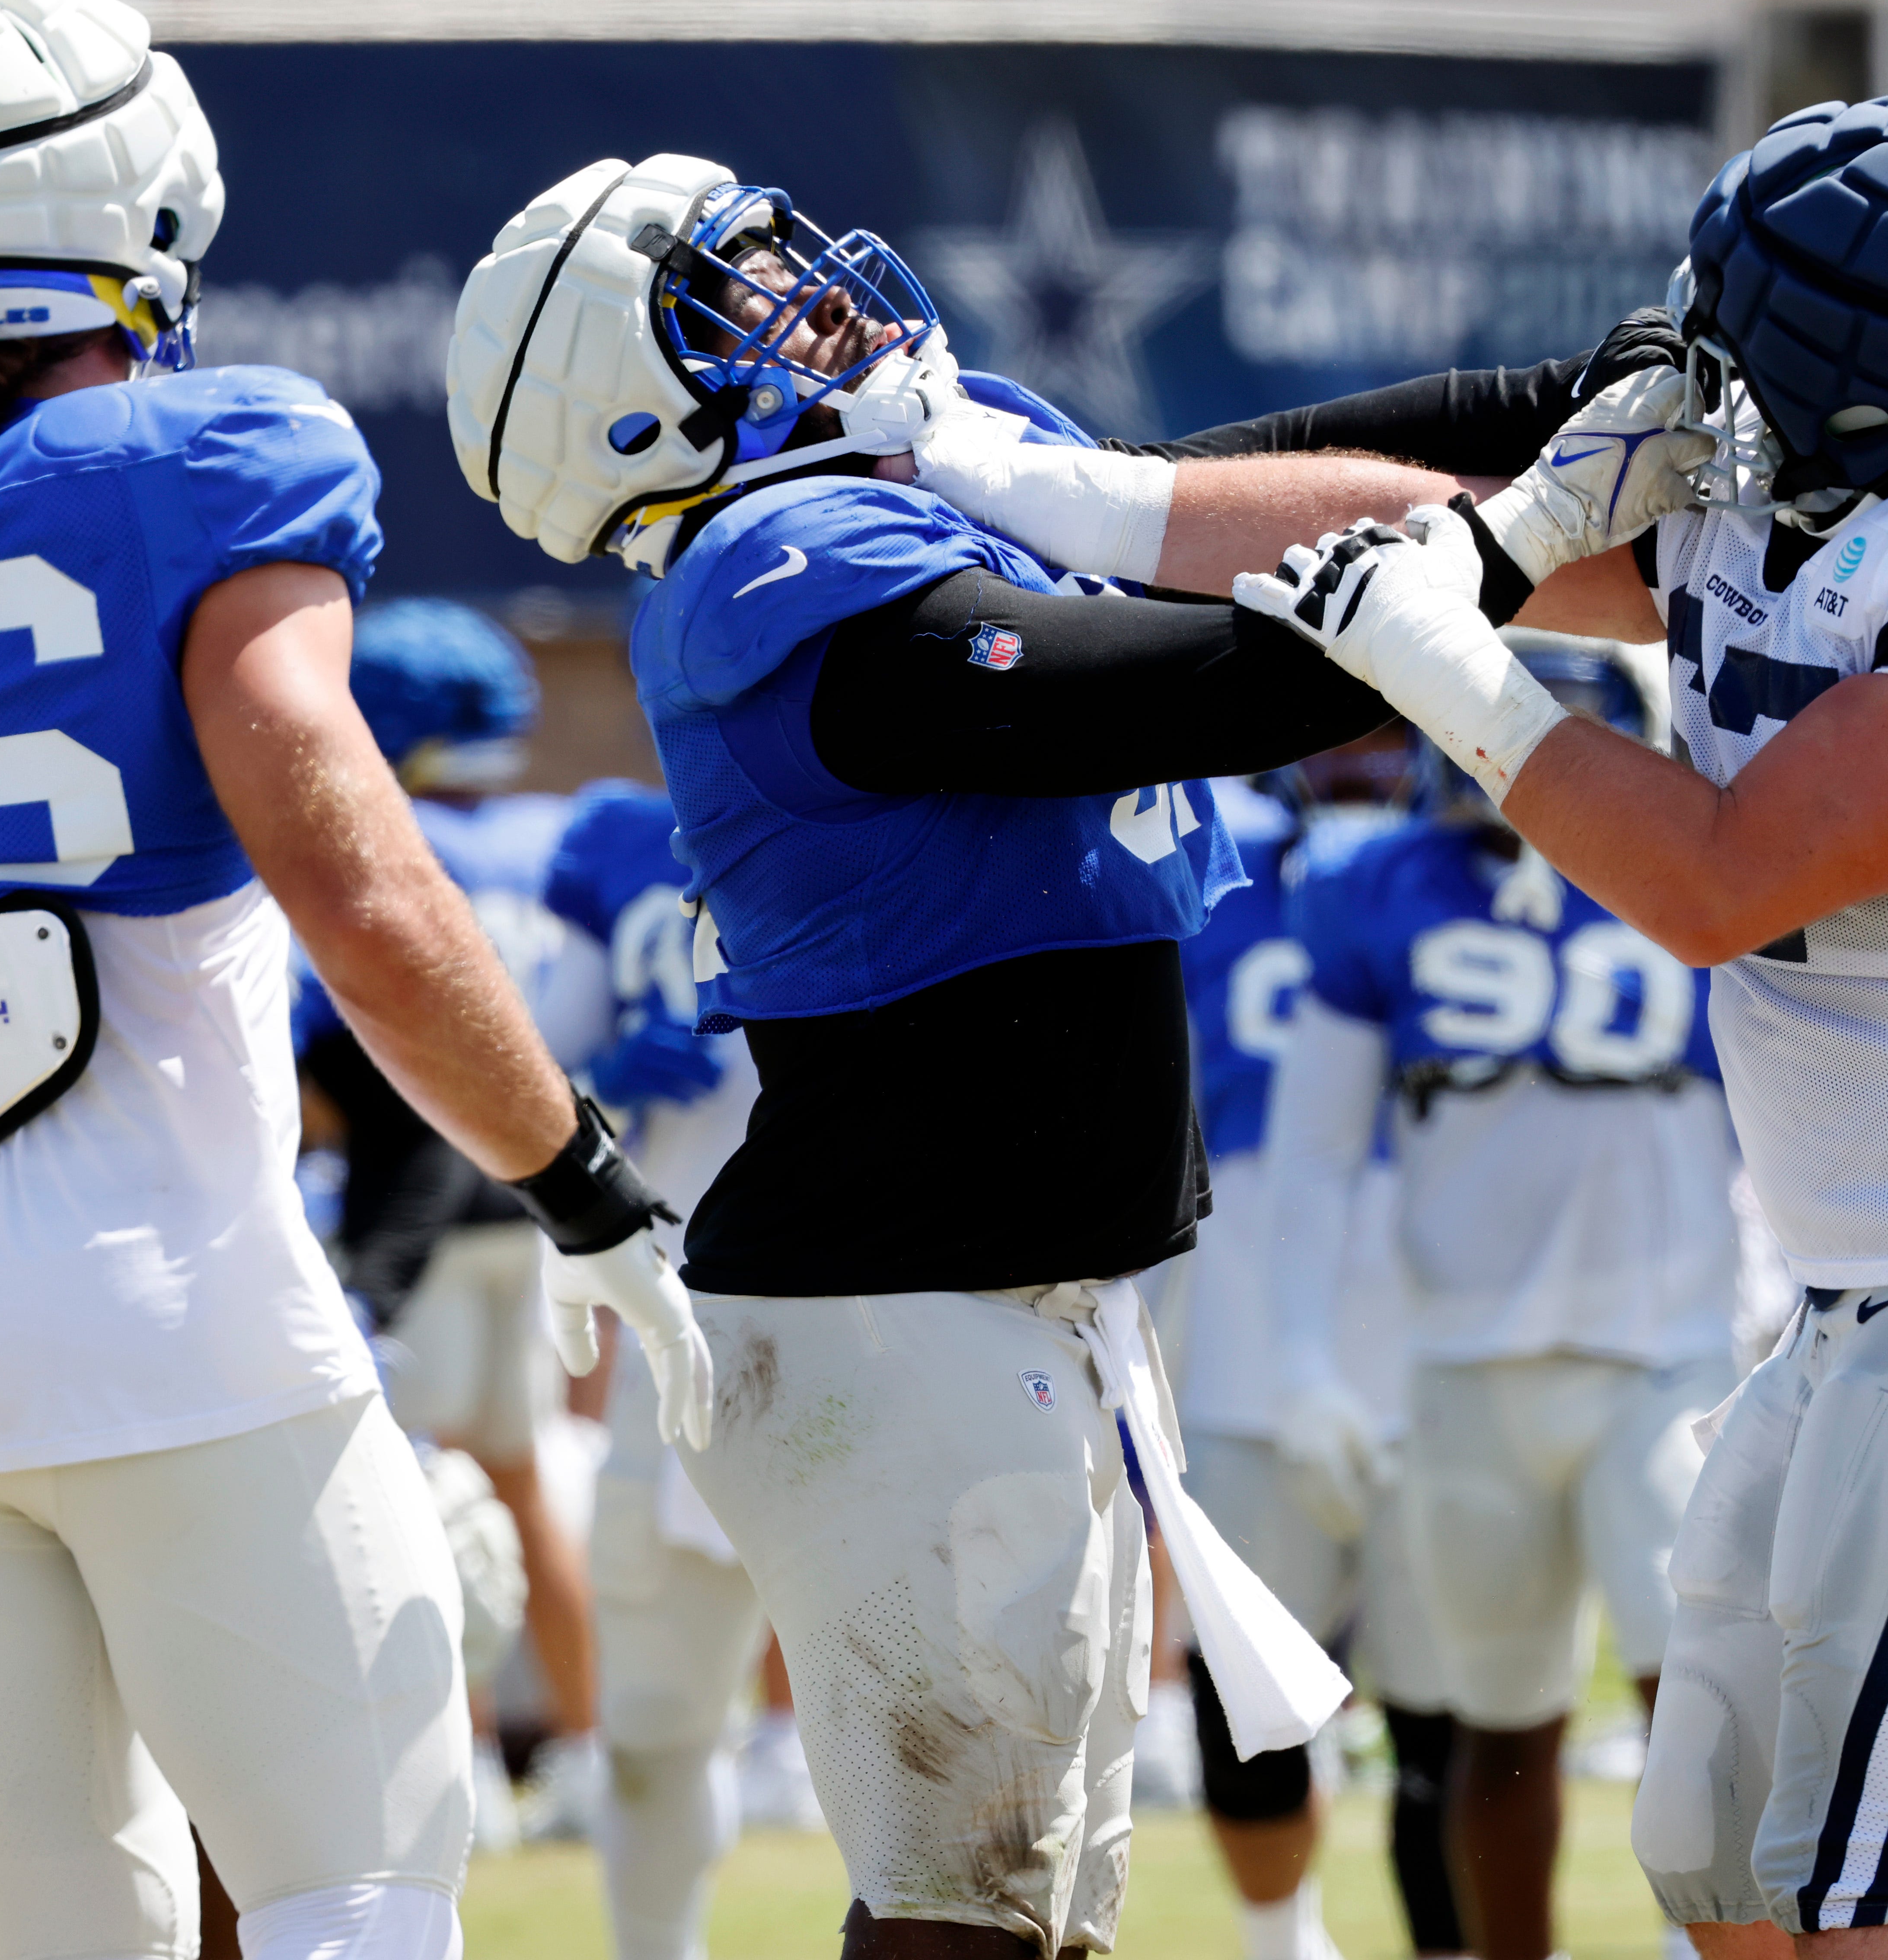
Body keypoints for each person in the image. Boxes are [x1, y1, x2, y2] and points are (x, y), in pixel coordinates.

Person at [1078, 91, 1888, 1957]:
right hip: (1866, 1271)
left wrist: (1459, 677)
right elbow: (1405, 499)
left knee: (1870, 1880)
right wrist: (1049, 494)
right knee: (1714, 1846)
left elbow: (1726, 879)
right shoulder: (1810, 486)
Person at [445, 149, 1674, 1956]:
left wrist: (1591, 390)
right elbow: (1229, 682)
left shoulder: (922, 476)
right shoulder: (772, 572)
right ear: (639, 418)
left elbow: (1260, 469)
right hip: (906, 1319)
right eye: (737, 299)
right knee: (968, 1905)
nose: (811, 302)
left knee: (1041, 1895)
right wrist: (1529, 527)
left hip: (1020, 1298)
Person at [0, 0, 711, 1960]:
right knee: (359, 1902)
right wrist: (583, 1181)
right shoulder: (208, 457)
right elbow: (358, 889)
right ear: (136, 211)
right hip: (181, 1331)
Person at [1263, 638, 1738, 1960]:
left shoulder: (1691, 872)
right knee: (1503, 1725)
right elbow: (1311, 1157)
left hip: (1668, 1358)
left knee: (1701, 1712)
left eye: (1553, 723)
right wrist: (1303, 1362)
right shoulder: (1376, 887)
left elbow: (1785, 1122)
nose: (1513, 755)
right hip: (1469, 1365)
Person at [306, 598, 605, 1846]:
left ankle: (470, 1759)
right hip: (545, 1202)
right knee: (527, 1484)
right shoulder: (562, 843)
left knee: (424, 1500)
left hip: (415, 1220)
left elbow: (342, 1070)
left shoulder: (382, 843)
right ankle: (587, 1747)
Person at [1170, 759, 1462, 1960]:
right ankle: (1279, 1937)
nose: (1364, 750)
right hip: (1240, 1336)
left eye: (1390, 722)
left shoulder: (1491, 863)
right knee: (1248, 1701)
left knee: (1464, 1711)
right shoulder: (1196, 857)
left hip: (1452, 1333)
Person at [533, 778, 775, 1960]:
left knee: (934, 1719)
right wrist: (606, 1094)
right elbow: (529, 1075)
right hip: (691, 1332)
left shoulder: (933, 777)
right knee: (655, 1723)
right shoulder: (627, 839)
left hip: (909, 1308)